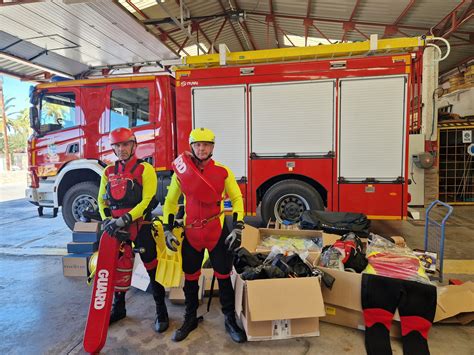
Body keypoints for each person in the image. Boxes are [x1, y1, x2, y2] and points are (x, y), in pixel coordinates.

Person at [163, 127, 247, 343]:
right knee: (190, 277)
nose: (202, 148)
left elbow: (237, 199)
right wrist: (167, 228)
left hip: (216, 231)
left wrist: (237, 227)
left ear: (212, 147)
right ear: (191, 147)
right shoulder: (181, 174)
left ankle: (229, 320)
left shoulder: (222, 171)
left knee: (223, 276)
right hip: (191, 232)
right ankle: (189, 318)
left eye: (206, 144)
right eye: (197, 144)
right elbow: (171, 202)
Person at [98, 127, 169, 333]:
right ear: (113, 148)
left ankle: (161, 311)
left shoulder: (144, 170)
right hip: (116, 230)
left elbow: (148, 202)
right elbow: (101, 200)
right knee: (118, 267)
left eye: (125, 144)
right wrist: (107, 221)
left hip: (140, 228)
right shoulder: (108, 172)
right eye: (117, 145)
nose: (121, 149)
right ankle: (119, 308)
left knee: (152, 268)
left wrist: (124, 220)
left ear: (134, 145)